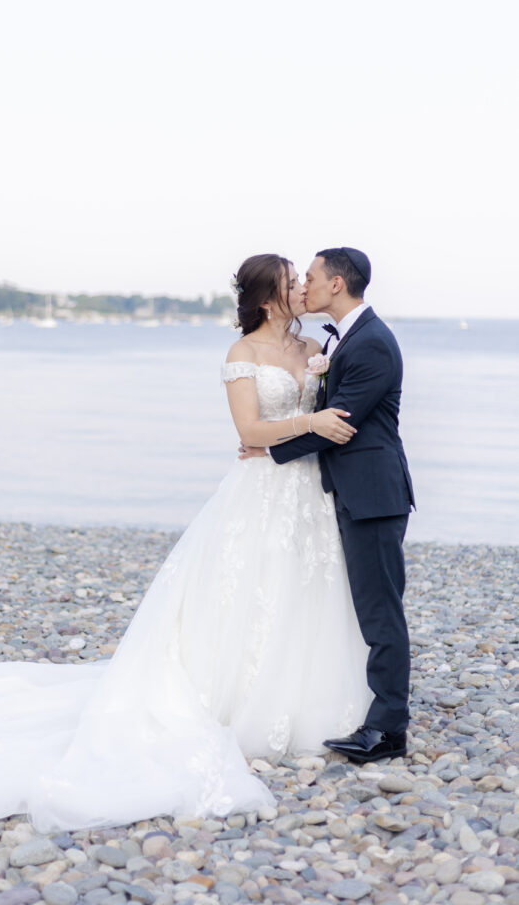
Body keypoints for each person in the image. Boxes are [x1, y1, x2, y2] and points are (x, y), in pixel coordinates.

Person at [0, 254, 371, 832]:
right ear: (268, 297)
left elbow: (330, 409)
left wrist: (315, 426)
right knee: (246, 590)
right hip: (259, 488)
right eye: (292, 282)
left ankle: (302, 698)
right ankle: (238, 702)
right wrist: (307, 425)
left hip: (306, 492)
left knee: (300, 588)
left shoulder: (314, 347)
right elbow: (248, 433)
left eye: (303, 280)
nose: (301, 288)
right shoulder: (242, 355)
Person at [240, 248, 415, 764]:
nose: (305, 287)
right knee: (367, 605)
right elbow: (323, 418)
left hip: (373, 495)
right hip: (351, 491)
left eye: (311, 278)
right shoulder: (347, 339)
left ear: (336, 284)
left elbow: (338, 422)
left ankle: (387, 730)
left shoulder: (372, 344)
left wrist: (267, 449)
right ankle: (377, 713)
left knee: (381, 611)